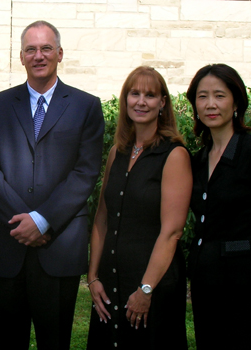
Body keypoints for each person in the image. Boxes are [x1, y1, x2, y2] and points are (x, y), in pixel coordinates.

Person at [0, 20, 105, 349]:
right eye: (30, 49)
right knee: (7, 341)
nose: (39, 55)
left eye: (46, 48)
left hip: (59, 245)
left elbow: (85, 172)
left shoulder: (86, 106)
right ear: (20, 57)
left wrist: (43, 219)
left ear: (60, 53)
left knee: (56, 342)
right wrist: (28, 220)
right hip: (9, 243)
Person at [86, 66, 191, 350]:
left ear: (163, 103)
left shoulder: (174, 154)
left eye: (150, 95)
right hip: (110, 281)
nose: (141, 101)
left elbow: (172, 231)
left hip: (151, 283)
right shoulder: (116, 152)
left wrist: (146, 289)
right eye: (135, 93)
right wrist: (93, 276)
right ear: (125, 99)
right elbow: (102, 218)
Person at [186, 64, 251, 349]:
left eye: (220, 95)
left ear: (236, 102)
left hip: (245, 280)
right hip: (204, 280)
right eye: (202, 96)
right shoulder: (197, 160)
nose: (211, 104)